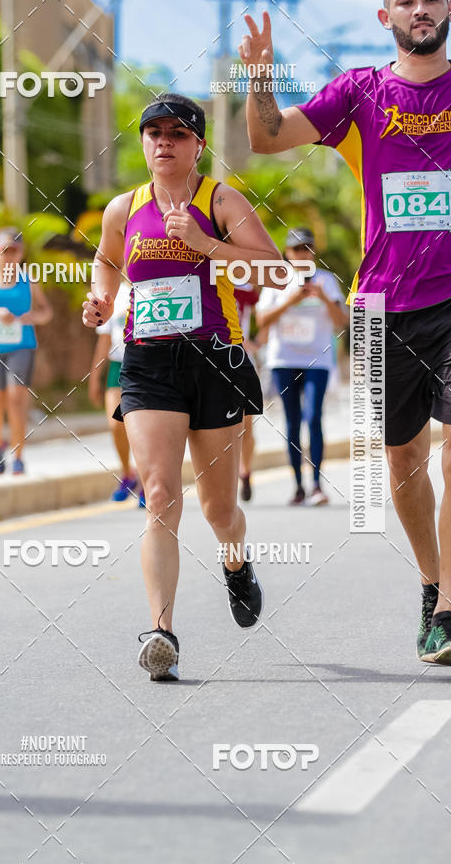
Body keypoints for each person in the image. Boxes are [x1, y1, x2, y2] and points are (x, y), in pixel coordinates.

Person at [239, 0, 451, 663]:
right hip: (382, 302)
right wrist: (260, 75)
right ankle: (432, 584)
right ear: (384, 16)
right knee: (403, 459)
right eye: (406, 1)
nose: (419, 10)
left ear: (450, 7)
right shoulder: (362, 92)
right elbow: (268, 137)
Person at [82, 93, 285, 680]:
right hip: (147, 361)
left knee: (221, 509)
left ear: (199, 144)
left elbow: (273, 269)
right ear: (143, 143)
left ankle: (236, 563)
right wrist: (99, 301)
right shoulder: (124, 208)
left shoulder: (219, 200)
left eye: (178, 132)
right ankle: (161, 632)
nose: (164, 141)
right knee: (162, 495)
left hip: (215, 360)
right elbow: (106, 262)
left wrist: (206, 246)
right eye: (154, 132)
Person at [257, 228, 348, 506]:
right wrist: (291, 300)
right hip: (284, 360)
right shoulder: (278, 281)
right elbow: (262, 320)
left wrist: (322, 298)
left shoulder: (326, 280)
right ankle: (298, 486)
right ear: (287, 253)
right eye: (297, 249)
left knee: (314, 417)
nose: (302, 254)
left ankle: (317, 485)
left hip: (317, 361)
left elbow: (341, 321)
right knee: (293, 422)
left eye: (307, 248)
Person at [0, 227, 53, 475]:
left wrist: (30, 317)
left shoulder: (29, 280)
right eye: (3, 250)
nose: (8, 255)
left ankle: (18, 455)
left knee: (16, 401)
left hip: (22, 347)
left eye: (13, 250)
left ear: (21, 253)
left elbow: (46, 312)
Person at [89, 280, 145, 505]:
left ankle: (144, 484)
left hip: (144, 364)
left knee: (140, 429)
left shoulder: (150, 286)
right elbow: (104, 338)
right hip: (117, 365)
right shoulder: (113, 292)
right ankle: (127, 473)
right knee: (115, 424)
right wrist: (94, 376)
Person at [233, 282, 262, 501]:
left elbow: (262, 301)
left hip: (241, 356)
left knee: (246, 423)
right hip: (210, 354)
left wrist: (258, 342)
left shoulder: (244, 283)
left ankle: (245, 471)